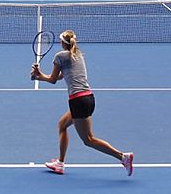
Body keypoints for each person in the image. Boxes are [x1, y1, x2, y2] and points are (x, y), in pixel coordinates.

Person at [31, 30, 133, 177]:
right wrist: (40, 75)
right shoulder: (77, 55)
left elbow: (53, 79)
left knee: (88, 139)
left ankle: (123, 157)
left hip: (78, 101)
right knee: (62, 125)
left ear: (62, 43)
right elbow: (60, 76)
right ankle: (60, 163)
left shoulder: (60, 56)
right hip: (88, 99)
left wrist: (38, 76)